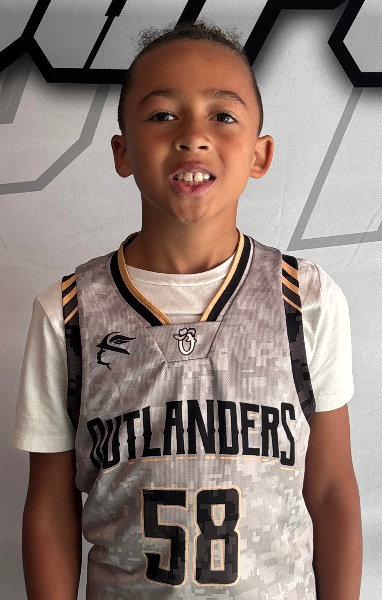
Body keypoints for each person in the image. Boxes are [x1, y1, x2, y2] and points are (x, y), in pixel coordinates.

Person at [13, 19, 362, 600]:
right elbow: (50, 508)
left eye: (222, 115)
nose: (193, 136)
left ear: (260, 154)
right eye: (162, 114)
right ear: (122, 152)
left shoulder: (305, 298)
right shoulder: (68, 313)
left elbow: (329, 491)